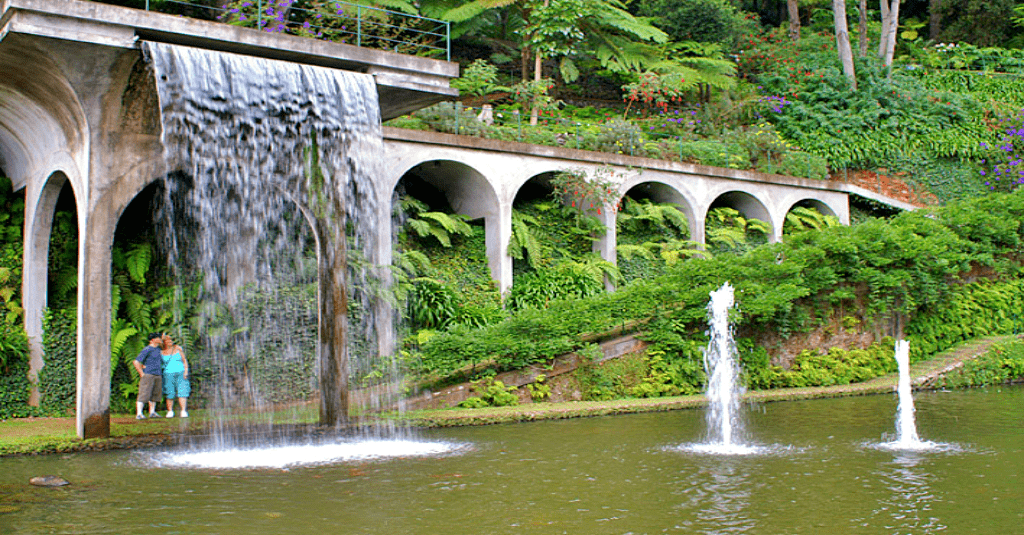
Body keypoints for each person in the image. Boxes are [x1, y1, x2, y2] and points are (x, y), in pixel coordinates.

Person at [133, 332, 164, 419]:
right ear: (153, 340)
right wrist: (142, 373)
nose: (160, 339)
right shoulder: (147, 349)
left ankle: (152, 412)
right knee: (144, 393)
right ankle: (139, 413)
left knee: (155, 394)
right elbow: (136, 362)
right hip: (148, 374)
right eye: (158, 337)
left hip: (157, 374)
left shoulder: (158, 349)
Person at [161, 333, 191, 418]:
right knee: (170, 392)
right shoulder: (162, 352)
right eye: (167, 340)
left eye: (170, 340)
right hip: (168, 373)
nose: (169, 341)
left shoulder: (178, 349)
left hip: (180, 372)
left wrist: (186, 371)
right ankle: (170, 411)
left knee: (182, 391)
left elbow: (184, 361)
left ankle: (183, 410)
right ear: (164, 342)